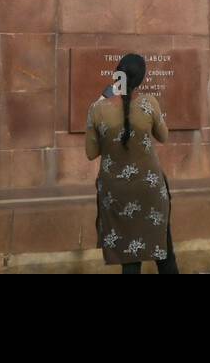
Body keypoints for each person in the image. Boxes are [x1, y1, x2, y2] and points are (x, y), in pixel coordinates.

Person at [86, 53, 177, 272]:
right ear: (141, 79)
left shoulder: (97, 109)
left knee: (129, 257)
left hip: (116, 193)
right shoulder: (150, 104)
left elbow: (91, 153)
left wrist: (102, 101)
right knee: (163, 250)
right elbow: (163, 136)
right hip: (150, 189)